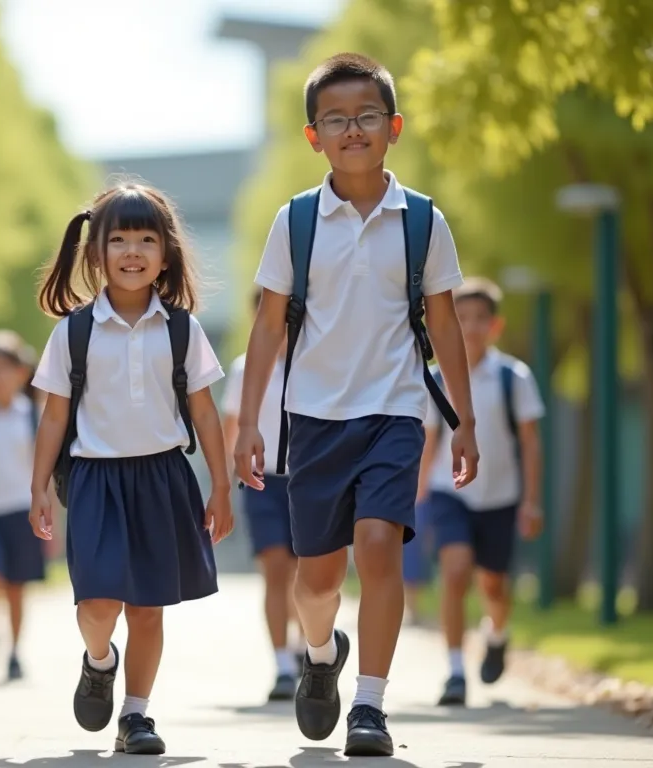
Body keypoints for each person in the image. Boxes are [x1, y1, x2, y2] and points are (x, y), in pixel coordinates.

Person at [233, 53, 480, 757]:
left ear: (393, 127)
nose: (353, 129)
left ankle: (368, 707)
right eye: (336, 119)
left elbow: (445, 324)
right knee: (316, 582)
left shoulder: (424, 220)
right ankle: (320, 652)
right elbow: (267, 325)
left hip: (396, 411)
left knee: (378, 548)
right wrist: (249, 421)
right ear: (314, 136)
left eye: (367, 116)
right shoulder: (297, 220)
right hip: (312, 418)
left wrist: (463, 424)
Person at [28, 181, 234, 756]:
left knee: (147, 607)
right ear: (96, 252)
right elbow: (52, 419)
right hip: (95, 479)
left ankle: (137, 715)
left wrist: (220, 486)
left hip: (163, 477)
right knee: (96, 604)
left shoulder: (181, 329)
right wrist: (38, 486)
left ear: (166, 252)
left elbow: (204, 411)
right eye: (118, 239)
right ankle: (100, 660)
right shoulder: (74, 330)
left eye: (147, 238)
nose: (132, 251)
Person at [416, 277, 544, 707]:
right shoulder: (434, 379)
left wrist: (531, 501)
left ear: (495, 326)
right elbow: (427, 442)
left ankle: (497, 633)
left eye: (479, 319)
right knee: (454, 571)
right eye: (461, 318)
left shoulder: (514, 377)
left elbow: (529, 443)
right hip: (448, 492)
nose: (469, 327)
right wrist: (413, 500)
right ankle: (455, 670)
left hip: (500, 496)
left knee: (494, 585)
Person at [220, 287, 306, 702]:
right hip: (262, 481)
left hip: (310, 479)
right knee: (275, 570)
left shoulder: (314, 361)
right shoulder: (244, 369)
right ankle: (283, 665)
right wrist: (223, 481)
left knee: (307, 574)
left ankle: (309, 646)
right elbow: (231, 425)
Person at [0, 329, 50, 681]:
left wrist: (51, 524)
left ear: (21, 373)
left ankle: (15, 651)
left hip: (20, 511)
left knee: (16, 587)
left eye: (6, 368)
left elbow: (45, 472)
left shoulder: (33, 415)